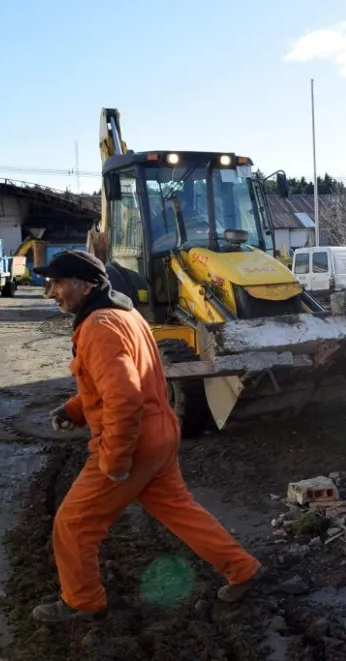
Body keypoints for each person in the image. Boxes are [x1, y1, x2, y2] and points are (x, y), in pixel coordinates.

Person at [31, 250, 263, 623]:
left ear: (84, 284)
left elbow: (124, 396)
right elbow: (118, 381)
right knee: (180, 511)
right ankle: (243, 569)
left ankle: (82, 602)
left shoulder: (99, 326)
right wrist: (75, 410)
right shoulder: (125, 315)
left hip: (133, 441)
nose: (51, 292)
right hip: (160, 431)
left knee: (74, 523)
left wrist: (115, 460)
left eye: (57, 283)